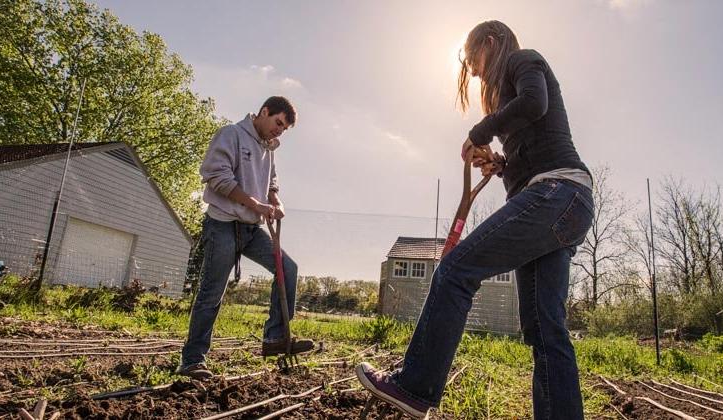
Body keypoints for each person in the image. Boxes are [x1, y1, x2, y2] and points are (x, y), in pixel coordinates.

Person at [356, 21, 594, 419]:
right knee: (544, 328)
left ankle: (415, 385)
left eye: (473, 60)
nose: (476, 71)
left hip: (557, 193)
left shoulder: (523, 59)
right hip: (566, 204)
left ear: (491, 42)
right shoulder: (512, 86)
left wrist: (480, 131)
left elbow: (535, 104)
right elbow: (535, 141)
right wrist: (502, 164)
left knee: (455, 270)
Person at [178, 96, 314, 380]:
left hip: (251, 230)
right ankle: (192, 361)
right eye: (278, 123)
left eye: (284, 129)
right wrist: (255, 204)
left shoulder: (269, 148)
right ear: (264, 112)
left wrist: (275, 201)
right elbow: (216, 177)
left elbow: (271, 182)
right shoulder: (232, 135)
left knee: (287, 269)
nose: (279, 131)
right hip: (223, 225)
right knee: (212, 293)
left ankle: (274, 337)